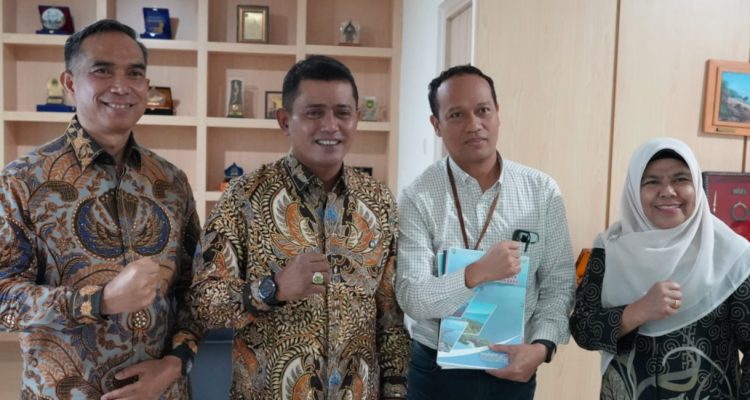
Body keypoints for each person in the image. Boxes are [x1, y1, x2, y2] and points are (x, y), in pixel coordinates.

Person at [0, 19, 202, 399]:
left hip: (164, 392)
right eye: (102, 71)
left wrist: (175, 364)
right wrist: (99, 301)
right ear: (70, 83)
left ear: (146, 86)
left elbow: (195, 290)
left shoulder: (171, 182)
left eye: (134, 73)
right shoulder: (21, 181)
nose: (121, 86)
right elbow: (4, 298)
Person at [190, 55, 410, 399]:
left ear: (357, 118)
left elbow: (391, 320)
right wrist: (272, 289)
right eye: (314, 113)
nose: (330, 125)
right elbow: (202, 304)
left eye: (342, 113)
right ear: (284, 120)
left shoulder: (379, 201)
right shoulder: (245, 197)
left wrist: (396, 392)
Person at [395, 64, 575, 399]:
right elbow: (412, 296)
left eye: (483, 110)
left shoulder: (541, 192)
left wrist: (541, 348)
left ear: (497, 113)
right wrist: (477, 273)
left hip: (513, 367)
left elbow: (559, 284)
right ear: (436, 125)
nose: (474, 124)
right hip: (434, 372)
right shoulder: (418, 196)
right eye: (457, 115)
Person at [569, 138, 750, 399]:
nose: (667, 191)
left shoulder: (732, 256)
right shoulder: (609, 250)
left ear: (697, 186)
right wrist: (636, 311)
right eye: (651, 182)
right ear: (633, 191)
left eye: (681, 179)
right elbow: (582, 330)